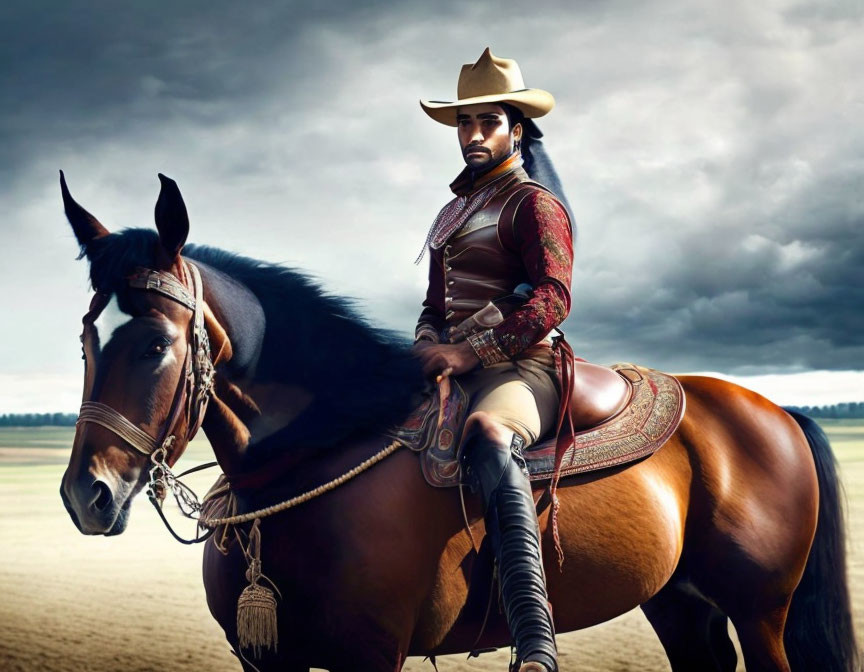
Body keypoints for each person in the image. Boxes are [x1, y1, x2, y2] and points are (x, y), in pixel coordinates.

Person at [413, 48, 573, 672]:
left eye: (488, 121)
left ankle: (535, 638)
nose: (474, 135)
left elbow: (553, 298)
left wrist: (470, 350)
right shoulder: (452, 214)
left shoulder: (533, 203)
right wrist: (426, 344)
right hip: (455, 365)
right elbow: (432, 305)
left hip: (523, 368)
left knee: (487, 431)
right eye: (464, 123)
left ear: (516, 128)